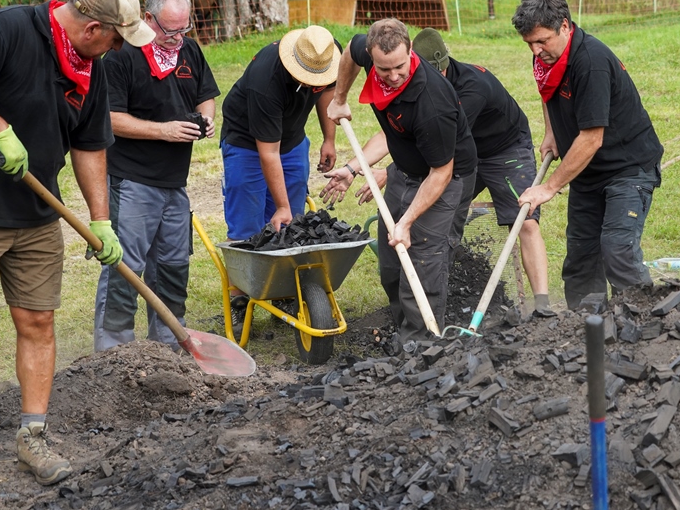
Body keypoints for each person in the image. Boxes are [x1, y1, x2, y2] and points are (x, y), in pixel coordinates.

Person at [0, 0, 152, 493]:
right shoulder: (8, 29)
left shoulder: (92, 67)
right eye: (115, 39)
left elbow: (90, 144)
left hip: (39, 213)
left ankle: (33, 437)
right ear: (93, 28)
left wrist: (101, 218)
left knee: (39, 321)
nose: (116, 50)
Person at [325, 19, 478, 343]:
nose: (393, 76)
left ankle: (422, 348)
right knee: (392, 264)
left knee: (423, 260)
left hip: (445, 179)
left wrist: (407, 221)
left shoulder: (432, 103)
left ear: (410, 52)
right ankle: (404, 330)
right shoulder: (367, 53)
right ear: (373, 55)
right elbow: (351, 54)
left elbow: (441, 173)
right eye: (384, 70)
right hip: (404, 170)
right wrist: (339, 98)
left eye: (399, 67)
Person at [513, 0, 663, 310]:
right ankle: (583, 331)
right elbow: (547, 90)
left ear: (565, 26)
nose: (536, 51)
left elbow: (592, 138)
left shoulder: (590, 62)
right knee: (581, 260)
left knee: (617, 251)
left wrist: (549, 187)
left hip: (627, 168)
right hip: (588, 172)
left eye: (541, 41)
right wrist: (552, 132)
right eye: (529, 44)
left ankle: (646, 324)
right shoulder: (547, 58)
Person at [92, 0, 220, 352]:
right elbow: (110, 118)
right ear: (148, 19)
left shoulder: (189, 51)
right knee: (124, 267)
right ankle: (113, 350)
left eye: (185, 29)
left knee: (173, 265)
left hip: (174, 183)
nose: (178, 38)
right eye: (170, 30)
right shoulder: (121, 56)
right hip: (131, 180)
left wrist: (205, 120)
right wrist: (163, 131)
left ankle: (168, 346)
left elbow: (206, 96)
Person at [411, 28, 550, 311]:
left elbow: (442, 141)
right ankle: (433, 298)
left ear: (442, 66)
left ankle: (542, 305)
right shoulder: (422, 85)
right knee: (435, 213)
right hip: (465, 152)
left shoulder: (473, 87)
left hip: (505, 150)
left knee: (525, 219)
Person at [220, 25, 339, 314]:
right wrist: (280, 205)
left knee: (292, 219)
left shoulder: (325, 50)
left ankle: (283, 287)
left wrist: (329, 139)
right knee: (249, 218)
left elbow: (328, 91)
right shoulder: (266, 80)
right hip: (247, 141)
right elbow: (268, 153)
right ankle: (241, 295)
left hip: (292, 138)